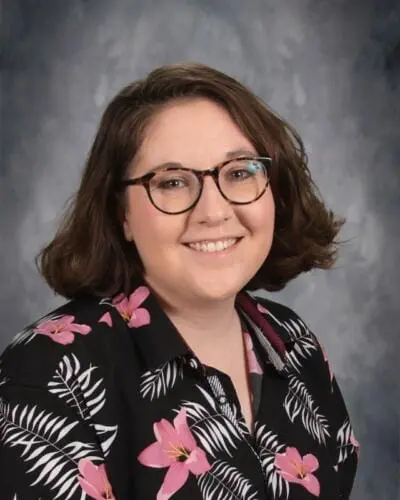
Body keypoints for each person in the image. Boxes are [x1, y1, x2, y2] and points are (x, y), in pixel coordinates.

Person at [0, 62, 359, 499]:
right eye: (172, 182)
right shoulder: (48, 375)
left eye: (239, 173)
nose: (213, 211)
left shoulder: (295, 345)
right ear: (122, 214)